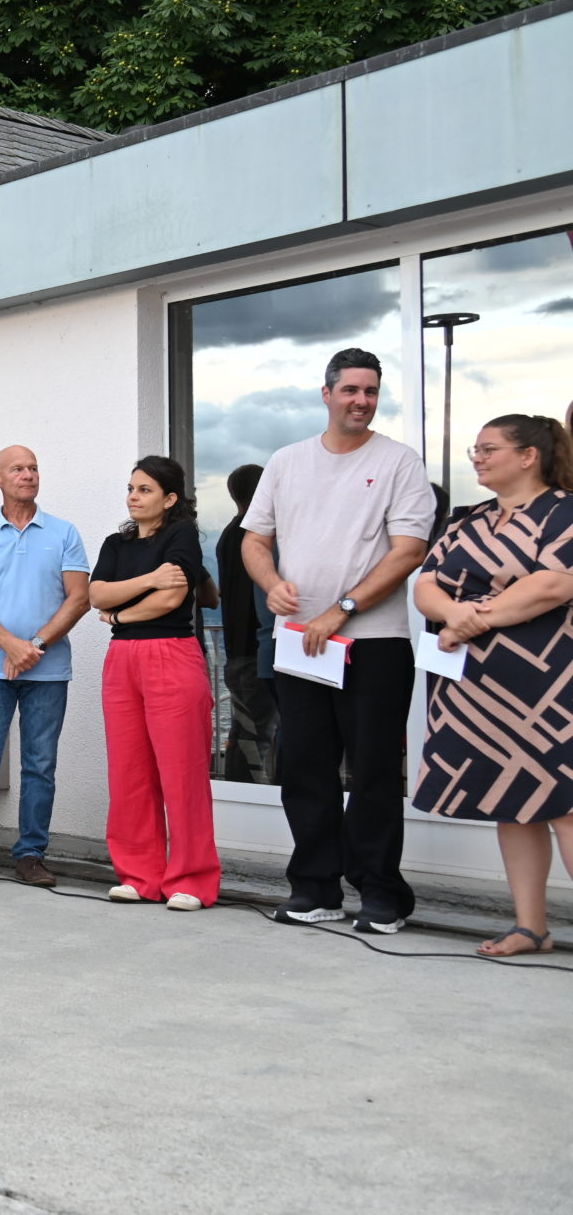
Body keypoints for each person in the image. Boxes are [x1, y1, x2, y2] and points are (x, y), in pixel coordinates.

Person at [241, 348, 435, 933]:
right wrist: (271, 583)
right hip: (301, 644)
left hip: (374, 643)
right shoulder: (287, 461)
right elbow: (255, 539)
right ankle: (315, 887)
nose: (361, 401)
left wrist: (341, 609)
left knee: (373, 772)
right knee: (305, 769)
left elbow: (409, 551)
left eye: (370, 391)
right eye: (351, 390)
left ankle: (381, 894)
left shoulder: (399, 461)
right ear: (326, 394)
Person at [412, 414, 573, 956]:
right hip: (474, 687)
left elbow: (551, 586)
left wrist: (467, 621)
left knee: (566, 805)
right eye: (475, 450)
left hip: (548, 686)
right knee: (512, 800)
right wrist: (454, 615)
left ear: (528, 456)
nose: (477, 458)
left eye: (489, 448)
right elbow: (426, 584)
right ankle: (531, 927)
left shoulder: (565, 511)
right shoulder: (466, 518)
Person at [0, 445, 91, 889]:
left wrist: (35, 645)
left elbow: (79, 598)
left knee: (40, 766)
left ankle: (30, 856)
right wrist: (12, 645)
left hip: (48, 670)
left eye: (33, 468)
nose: (28, 475)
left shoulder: (64, 532)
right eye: (18, 469)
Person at [89, 456, 221, 910]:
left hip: (171, 653)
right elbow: (96, 594)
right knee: (130, 772)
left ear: (169, 499)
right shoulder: (116, 542)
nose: (133, 496)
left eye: (144, 489)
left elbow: (173, 597)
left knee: (182, 773)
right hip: (122, 660)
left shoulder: (181, 535)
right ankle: (139, 875)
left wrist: (120, 615)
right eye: (131, 488)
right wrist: (147, 579)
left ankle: (191, 880)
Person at [216, 464, 277, 783]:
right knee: (257, 735)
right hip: (258, 649)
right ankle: (252, 795)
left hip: (236, 649)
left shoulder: (228, 535)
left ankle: (239, 791)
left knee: (245, 731)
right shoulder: (257, 536)